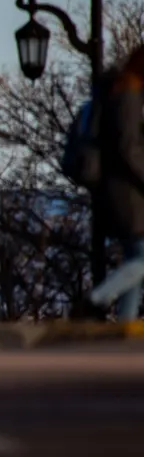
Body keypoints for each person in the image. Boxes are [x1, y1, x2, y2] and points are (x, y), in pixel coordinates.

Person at [88, 45, 144, 322]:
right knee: (141, 258)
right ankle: (97, 298)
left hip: (119, 187)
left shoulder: (117, 93)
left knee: (137, 256)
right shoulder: (128, 97)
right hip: (127, 190)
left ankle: (125, 322)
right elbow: (127, 147)